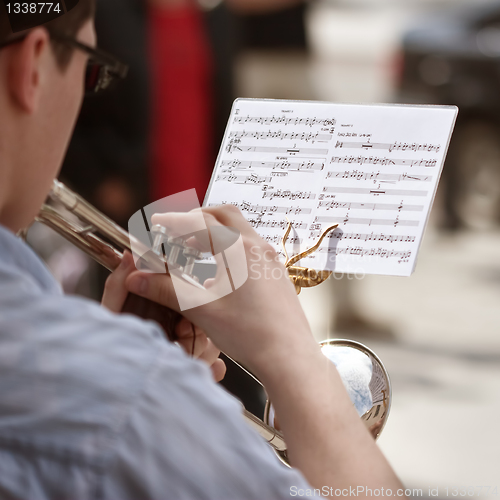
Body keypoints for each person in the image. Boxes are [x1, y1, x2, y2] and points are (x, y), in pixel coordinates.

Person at [0, 1, 405, 497]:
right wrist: (291, 354)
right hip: (146, 210)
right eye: (90, 71)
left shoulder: (209, 16)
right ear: (32, 69)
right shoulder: (127, 401)